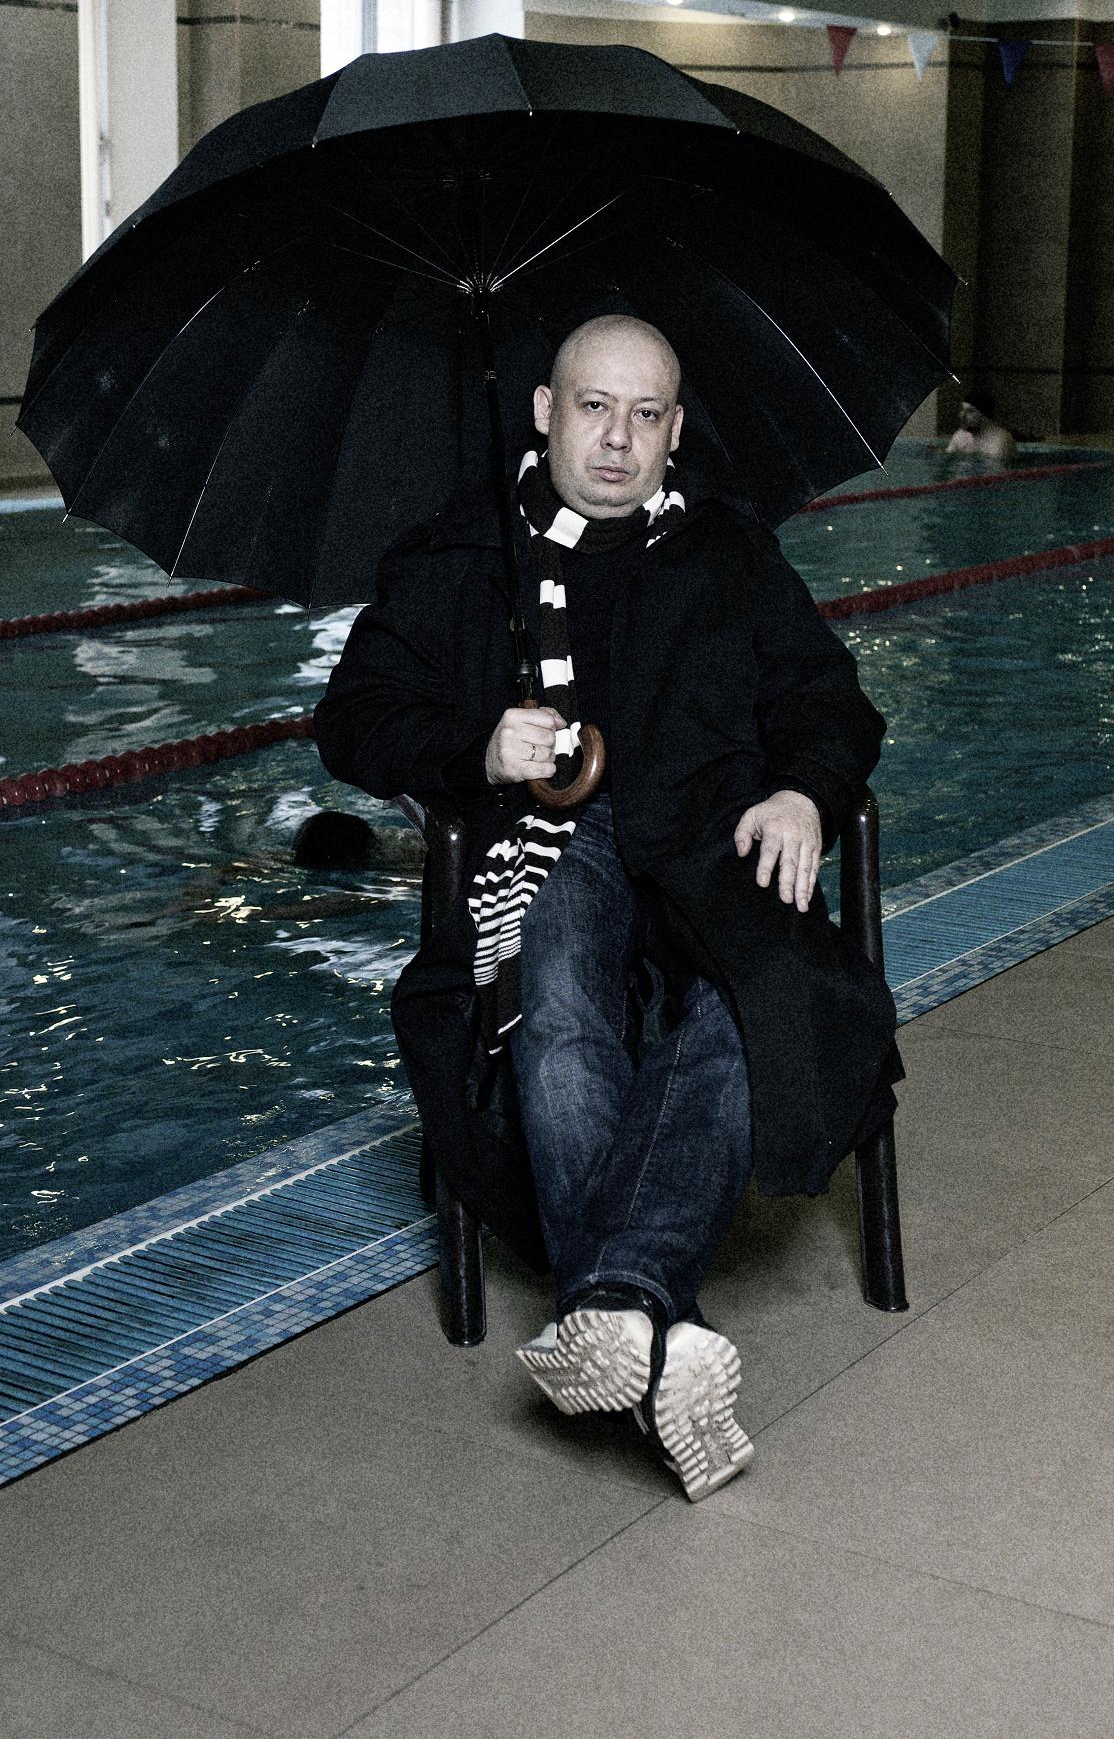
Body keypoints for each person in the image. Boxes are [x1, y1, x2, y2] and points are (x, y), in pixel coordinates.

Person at [314, 314, 902, 1500]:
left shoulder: (725, 550)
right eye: (593, 407)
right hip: (550, 841)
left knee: (763, 993)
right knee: (558, 993)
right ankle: (655, 1321)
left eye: (644, 415)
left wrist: (802, 789)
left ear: (675, 430)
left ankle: (619, 1301)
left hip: (712, 846)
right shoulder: (464, 553)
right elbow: (353, 716)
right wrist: (476, 744)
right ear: (543, 411)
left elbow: (826, 697)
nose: (618, 440)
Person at [946, 392, 1017, 461]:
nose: (962, 415)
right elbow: (947, 460)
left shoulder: (999, 442)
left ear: (985, 416)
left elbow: (997, 468)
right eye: (962, 409)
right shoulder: (960, 436)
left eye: (970, 411)